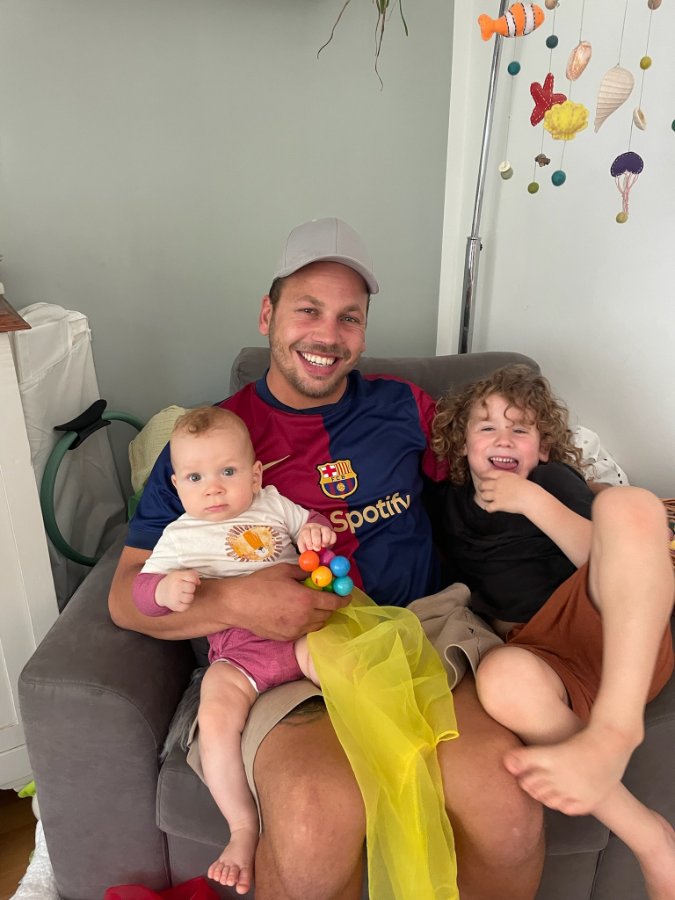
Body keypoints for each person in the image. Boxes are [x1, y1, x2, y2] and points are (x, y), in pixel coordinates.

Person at [109, 217, 545, 900]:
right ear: (267, 315)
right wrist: (236, 601)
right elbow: (124, 596)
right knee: (313, 828)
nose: (327, 335)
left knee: (507, 809)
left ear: (363, 333)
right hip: (280, 659)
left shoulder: (404, 407)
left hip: (423, 631)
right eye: (307, 310)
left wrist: (588, 508)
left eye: (349, 317)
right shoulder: (212, 445)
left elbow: (494, 463)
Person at [432, 364, 675, 899]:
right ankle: (653, 839)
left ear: (542, 448)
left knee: (628, 504)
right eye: (487, 427)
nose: (503, 438)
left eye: (520, 429)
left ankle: (615, 731)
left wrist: (533, 501)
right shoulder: (446, 504)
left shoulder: (553, 481)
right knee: (500, 677)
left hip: (611, 625)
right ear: (462, 444)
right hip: (543, 655)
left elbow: (607, 558)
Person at [132, 405, 334, 893]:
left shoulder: (273, 504)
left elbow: (312, 521)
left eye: (227, 472)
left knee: (341, 666)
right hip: (239, 655)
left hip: (301, 633)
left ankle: (377, 742)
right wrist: (163, 592)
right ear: (178, 487)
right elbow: (141, 592)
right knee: (216, 714)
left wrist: (315, 530)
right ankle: (242, 828)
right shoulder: (179, 536)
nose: (214, 488)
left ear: (255, 474)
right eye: (196, 478)